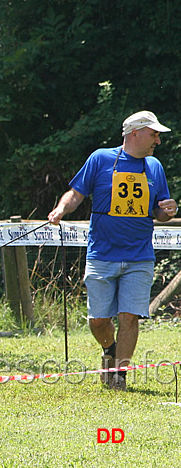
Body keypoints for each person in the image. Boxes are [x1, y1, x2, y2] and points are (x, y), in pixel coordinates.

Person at [48, 111, 177, 391]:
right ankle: (110, 347)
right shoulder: (100, 158)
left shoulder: (154, 167)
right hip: (101, 254)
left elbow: (159, 211)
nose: (158, 140)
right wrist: (61, 209)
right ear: (135, 133)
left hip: (140, 255)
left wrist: (168, 211)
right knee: (98, 320)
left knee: (129, 316)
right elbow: (76, 192)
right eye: (154, 134)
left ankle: (120, 374)